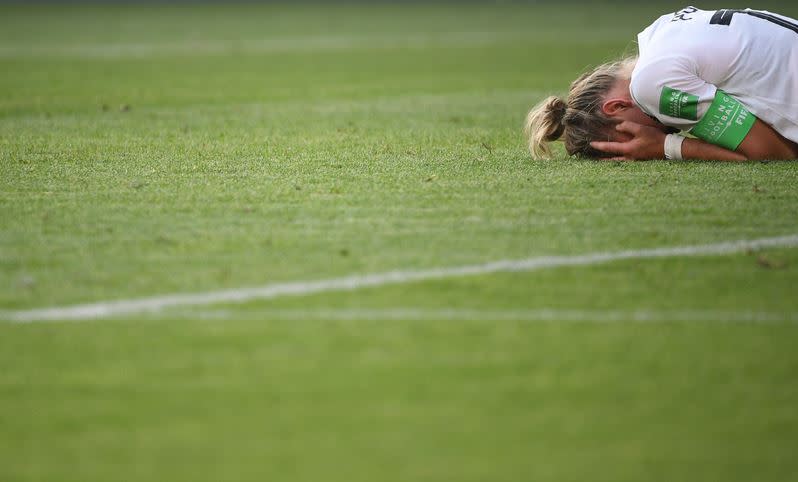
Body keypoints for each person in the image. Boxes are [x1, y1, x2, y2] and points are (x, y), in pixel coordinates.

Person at [525, 6, 798, 161]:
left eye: (629, 137)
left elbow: (772, 153)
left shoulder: (650, 86)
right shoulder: (659, 29)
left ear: (616, 107)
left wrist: (664, 146)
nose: (638, 143)